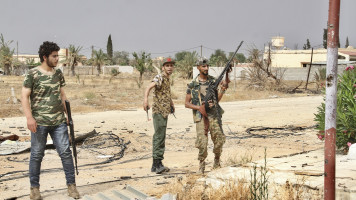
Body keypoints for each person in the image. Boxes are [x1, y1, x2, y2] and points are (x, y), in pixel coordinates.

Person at [21, 41, 80, 199]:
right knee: (36, 155)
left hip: (58, 122)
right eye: (54, 56)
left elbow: (62, 95)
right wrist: (29, 118)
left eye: (57, 56)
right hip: (39, 123)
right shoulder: (33, 74)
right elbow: (24, 97)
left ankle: (72, 187)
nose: (57, 59)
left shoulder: (58, 73)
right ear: (45, 57)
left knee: (66, 153)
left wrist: (68, 115)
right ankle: (34, 189)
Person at [185, 58, 228, 174]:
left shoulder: (213, 82)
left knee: (219, 139)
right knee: (202, 143)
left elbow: (219, 96)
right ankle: (202, 165)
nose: (206, 68)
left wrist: (223, 88)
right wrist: (200, 107)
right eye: (203, 66)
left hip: (214, 115)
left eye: (207, 66)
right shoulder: (192, 85)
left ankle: (217, 161)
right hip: (200, 116)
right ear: (198, 67)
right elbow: (186, 103)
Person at [143, 57, 175, 174]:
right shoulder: (160, 77)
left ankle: (157, 164)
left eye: (171, 65)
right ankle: (156, 164)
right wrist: (145, 100)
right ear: (163, 67)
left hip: (165, 111)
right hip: (159, 111)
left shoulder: (167, 79)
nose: (170, 68)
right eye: (167, 66)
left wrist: (171, 104)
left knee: (161, 137)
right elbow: (149, 87)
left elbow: (166, 93)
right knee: (159, 137)